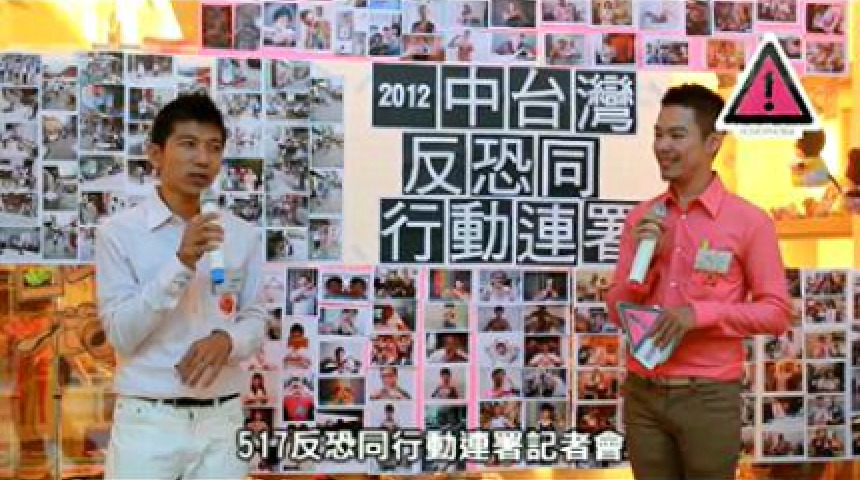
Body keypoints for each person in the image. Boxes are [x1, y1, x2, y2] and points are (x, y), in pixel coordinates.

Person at [606, 84, 792, 480]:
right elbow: (617, 310)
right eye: (658, 134)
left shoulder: (750, 222)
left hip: (708, 395)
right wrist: (646, 267)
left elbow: (776, 313)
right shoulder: (643, 218)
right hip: (643, 391)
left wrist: (699, 314)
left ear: (712, 143)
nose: (662, 146)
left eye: (676, 135)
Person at [95, 94, 267, 480]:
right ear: (156, 154)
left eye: (214, 147)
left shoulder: (241, 234)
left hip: (223, 421)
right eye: (189, 144)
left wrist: (228, 339)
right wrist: (182, 262)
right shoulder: (119, 233)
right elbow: (121, 334)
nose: (203, 159)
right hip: (148, 422)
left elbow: (256, 316)